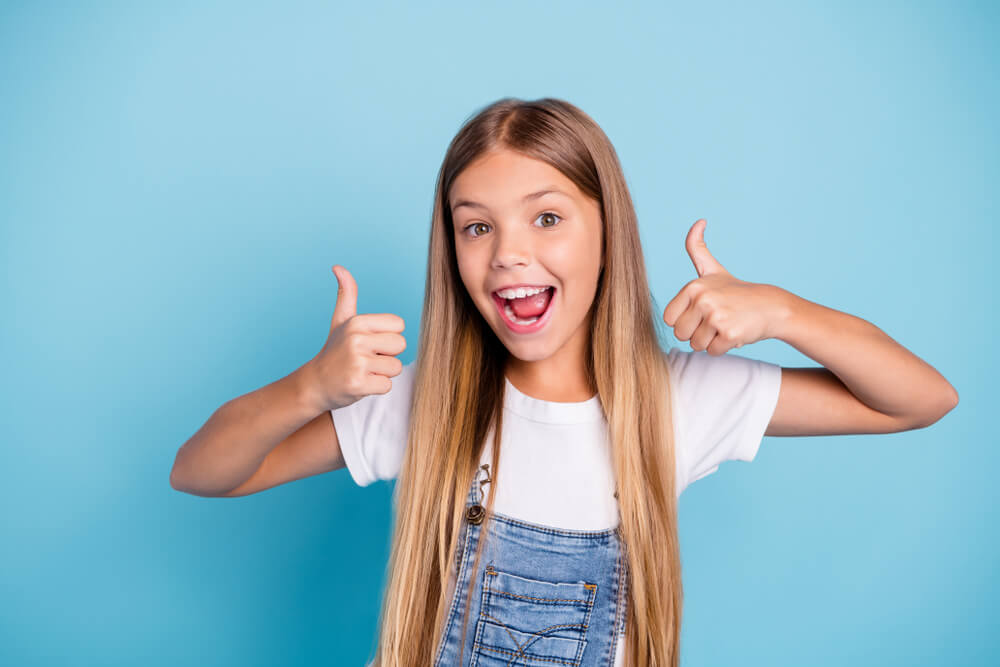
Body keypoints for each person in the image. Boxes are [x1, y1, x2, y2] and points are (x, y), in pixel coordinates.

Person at [169, 97, 959, 667]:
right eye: (477, 226)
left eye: (546, 217)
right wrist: (310, 386)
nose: (508, 252)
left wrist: (783, 312)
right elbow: (202, 471)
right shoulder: (424, 404)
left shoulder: (678, 400)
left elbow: (922, 399)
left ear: (608, 231)